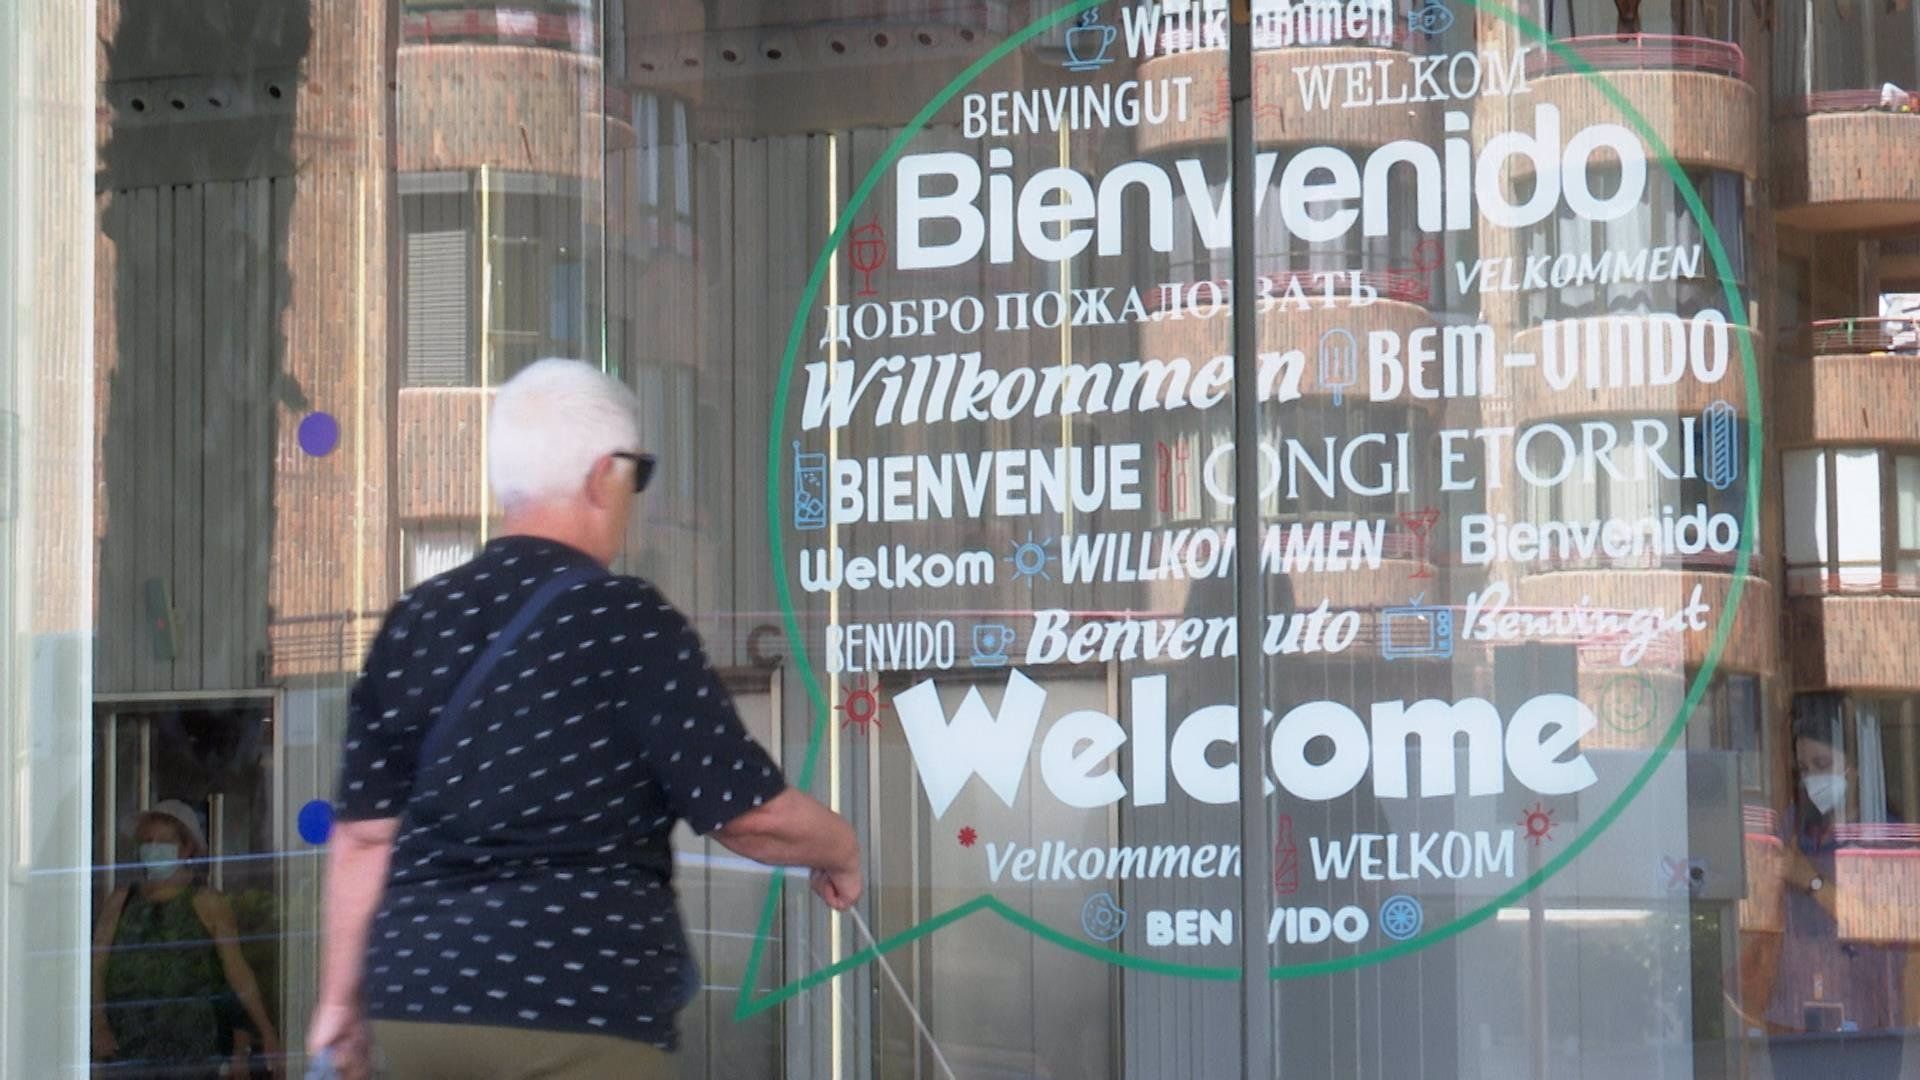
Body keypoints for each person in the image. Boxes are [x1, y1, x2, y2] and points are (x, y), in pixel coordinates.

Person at [307, 359, 862, 1079]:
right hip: (573, 1005)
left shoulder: (418, 620)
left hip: (421, 1007)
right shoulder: (625, 620)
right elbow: (746, 814)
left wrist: (339, 1004)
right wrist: (841, 846)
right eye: (641, 472)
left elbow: (361, 838)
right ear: (605, 476)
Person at [91, 799, 283, 1078]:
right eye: (147, 840)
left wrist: (265, 1032)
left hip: (192, 1051)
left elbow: (236, 973)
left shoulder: (206, 902)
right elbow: (96, 967)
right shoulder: (121, 901)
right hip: (128, 1049)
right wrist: (99, 1025)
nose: (153, 847)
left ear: (186, 848)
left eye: (163, 841)